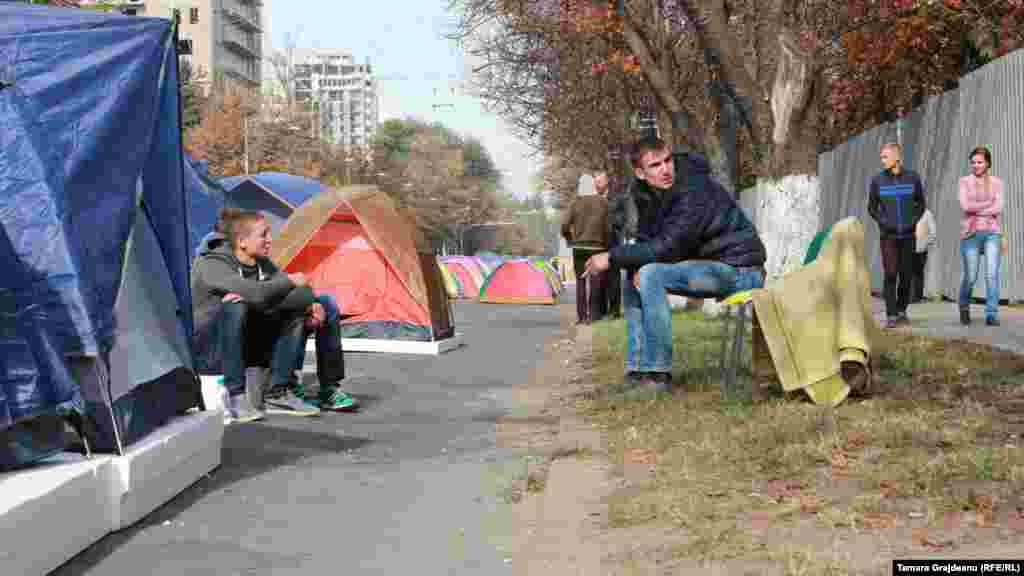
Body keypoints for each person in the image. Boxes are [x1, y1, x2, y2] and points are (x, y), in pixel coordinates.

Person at [583, 136, 767, 399]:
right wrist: (631, 263)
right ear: (640, 173)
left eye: (667, 160)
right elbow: (649, 240)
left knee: (650, 274)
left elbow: (670, 246)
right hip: (706, 266)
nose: (665, 169)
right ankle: (638, 373)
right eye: (655, 165)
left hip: (740, 270)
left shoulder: (694, 189)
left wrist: (610, 257)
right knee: (635, 275)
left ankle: (659, 376)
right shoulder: (646, 194)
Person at [191, 209, 356, 422]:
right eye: (264, 234)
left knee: (323, 303)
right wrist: (281, 289)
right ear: (240, 240)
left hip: (249, 336)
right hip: (212, 348)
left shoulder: (259, 261)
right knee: (237, 307)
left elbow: (302, 291)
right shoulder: (213, 263)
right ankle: (237, 395)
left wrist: (307, 303)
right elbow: (264, 291)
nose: (270, 240)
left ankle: (322, 388)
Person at [867, 142, 926, 329]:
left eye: (885, 156)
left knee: (906, 275)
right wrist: (884, 222)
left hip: (908, 236)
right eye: (881, 157)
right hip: (888, 237)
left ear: (897, 157)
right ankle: (891, 315)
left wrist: (913, 221)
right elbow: (872, 208)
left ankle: (902, 311)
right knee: (891, 273)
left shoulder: (912, 178)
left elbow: (921, 204)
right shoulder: (877, 181)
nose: (882, 160)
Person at [958, 146, 1004, 326]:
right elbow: (965, 206)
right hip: (971, 232)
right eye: (973, 162)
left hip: (992, 232)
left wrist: (978, 207)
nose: (976, 165)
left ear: (988, 163)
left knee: (991, 274)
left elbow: (999, 207)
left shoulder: (997, 183)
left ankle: (991, 314)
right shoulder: (964, 181)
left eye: (980, 162)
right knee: (971, 275)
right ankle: (964, 305)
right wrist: (987, 204)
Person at [562, 172, 609, 324]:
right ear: (593, 185)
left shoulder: (575, 202)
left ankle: (581, 316)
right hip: (597, 246)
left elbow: (564, 225)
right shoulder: (602, 202)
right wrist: (606, 245)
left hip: (579, 247)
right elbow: (607, 226)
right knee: (595, 281)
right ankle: (593, 316)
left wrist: (570, 239)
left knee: (580, 282)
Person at [911, 207, 936, 303]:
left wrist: (925, 243)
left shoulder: (927, 213)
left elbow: (933, 233)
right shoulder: (907, 210)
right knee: (906, 272)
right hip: (907, 246)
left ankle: (917, 297)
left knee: (918, 272)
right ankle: (909, 296)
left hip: (920, 248)